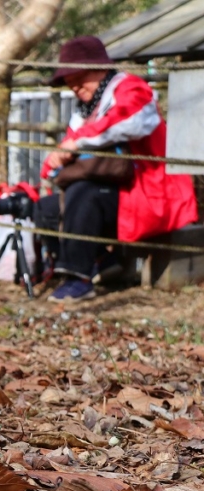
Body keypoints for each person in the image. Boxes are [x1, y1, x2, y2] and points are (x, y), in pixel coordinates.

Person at [34, 35, 197, 302]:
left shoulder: (132, 89)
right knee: (45, 208)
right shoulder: (85, 110)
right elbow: (66, 148)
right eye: (69, 81)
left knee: (82, 193)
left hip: (147, 191)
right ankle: (104, 260)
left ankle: (79, 278)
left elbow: (129, 121)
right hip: (109, 193)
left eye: (78, 78)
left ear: (98, 69)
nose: (73, 86)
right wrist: (56, 160)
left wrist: (77, 144)